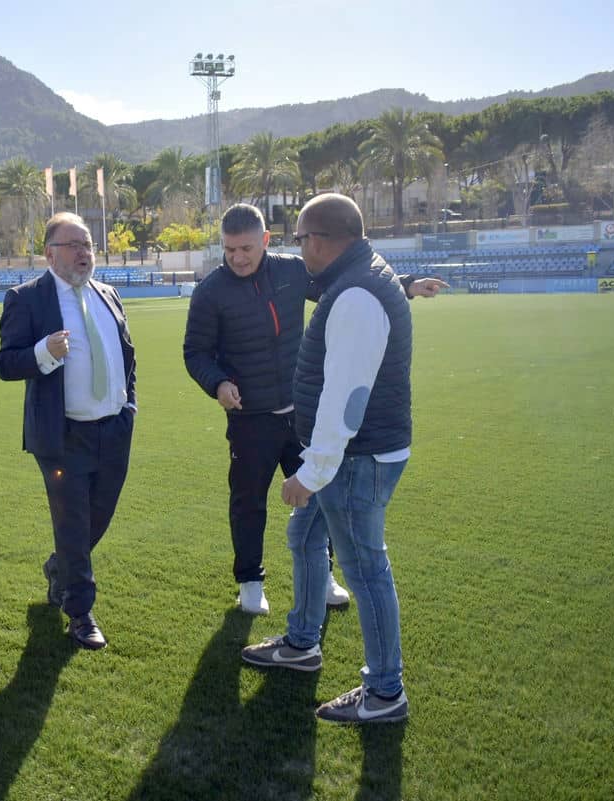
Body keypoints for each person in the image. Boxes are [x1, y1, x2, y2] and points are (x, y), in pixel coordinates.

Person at [183, 204, 444, 616]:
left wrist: (407, 284)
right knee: (248, 501)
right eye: (229, 249)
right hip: (250, 418)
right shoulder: (211, 291)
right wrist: (217, 383)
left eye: (246, 248)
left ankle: (322, 576)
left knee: (320, 497)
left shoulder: (290, 270)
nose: (237, 258)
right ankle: (250, 582)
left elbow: (346, 280)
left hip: (303, 415)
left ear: (266, 241)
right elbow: (195, 352)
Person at [240, 193, 417, 724]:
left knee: (364, 571)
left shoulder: (356, 294)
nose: (300, 250)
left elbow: (346, 395)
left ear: (318, 241)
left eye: (299, 238)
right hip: (357, 453)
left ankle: (386, 693)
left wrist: (311, 473)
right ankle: (301, 643)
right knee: (305, 538)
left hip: (356, 458)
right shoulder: (361, 275)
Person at [0, 212, 136, 650]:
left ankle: (60, 567)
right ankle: (79, 612)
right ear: (49, 252)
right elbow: (5, 363)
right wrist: (43, 351)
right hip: (64, 436)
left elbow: (127, 355)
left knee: (98, 518)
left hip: (113, 429)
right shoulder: (27, 299)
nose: (83, 253)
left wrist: (128, 405)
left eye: (88, 244)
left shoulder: (107, 293)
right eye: (73, 244)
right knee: (74, 523)